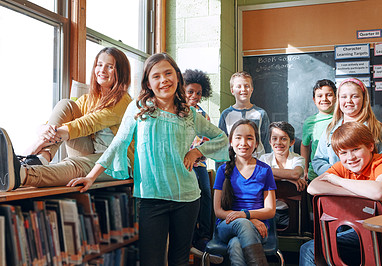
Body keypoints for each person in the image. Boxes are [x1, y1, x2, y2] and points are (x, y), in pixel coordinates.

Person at [67, 53, 229, 265]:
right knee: (151, 261)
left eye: (168, 73)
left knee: (179, 260)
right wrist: (90, 177)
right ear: (148, 83)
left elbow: (222, 137)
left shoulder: (189, 113)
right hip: (151, 198)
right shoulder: (138, 108)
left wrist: (197, 152)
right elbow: (118, 144)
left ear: (177, 77)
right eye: (157, 76)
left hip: (187, 199)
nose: (164, 80)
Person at [0, 47, 134, 192]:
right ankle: (41, 158)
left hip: (117, 161)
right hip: (90, 152)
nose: (102, 70)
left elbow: (87, 124)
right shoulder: (88, 99)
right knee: (67, 104)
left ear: (120, 72)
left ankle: (23, 174)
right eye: (99, 64)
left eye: (110, 67)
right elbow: (61, 120)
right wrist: (42, 130)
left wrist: (54, 135)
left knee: (75, 164)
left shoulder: (123, 100)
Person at [299, 122, 382, 266]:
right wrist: (356, 192)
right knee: (309, 249)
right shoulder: (342, 166)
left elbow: (379, 192)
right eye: (343, 153)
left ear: (370, 146)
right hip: (362, 230)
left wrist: (338, 180)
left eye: (356, 149)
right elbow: (313, 187)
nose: (350, 157)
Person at [213, 119, 276, 266]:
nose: (243, 143)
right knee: (242, 224)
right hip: (226, 226)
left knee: (236, 244)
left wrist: (245, 215)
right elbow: (218, 211)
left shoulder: (265, 170)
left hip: (259, 228)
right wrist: (246, 218)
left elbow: (270, 210)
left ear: (256, 143)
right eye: (238, 137)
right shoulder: (222, 170)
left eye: (249, 138)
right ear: (231, 141)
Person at [312, 78, 382, 176]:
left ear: (364, 99)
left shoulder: (377, 128)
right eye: (343, 97)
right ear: (338, 100)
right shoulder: (330, 129)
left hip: (366, 186)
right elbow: (319, 161)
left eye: (355, 96)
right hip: (336, 186)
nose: (348, 101)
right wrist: (337, 173)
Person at [183, 69, 213, 251]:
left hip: (199, 163)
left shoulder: (203, 115)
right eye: (190, 92)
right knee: (188, 198)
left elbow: (209, 140)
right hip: (182, 164)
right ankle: (190, 235)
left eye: (199, 93)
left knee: (206, 194)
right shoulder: (177, 111)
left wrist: (202, 152)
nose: (195, 96)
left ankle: (204, 236)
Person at [260, 121, 306, 229]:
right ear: (270, 142)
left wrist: (267, 172)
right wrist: (289, 179)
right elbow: (260, 177)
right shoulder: (264, 159)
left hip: (290, 213)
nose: (278, 142)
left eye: (284, 138)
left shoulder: (298, 159)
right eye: (274, 138)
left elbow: (295, 173)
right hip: (268, 211)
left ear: (292, 142)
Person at [218, 71, 270, 160]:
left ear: (251, 89)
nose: (243, 89)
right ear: (232, 90)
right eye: (238, 86)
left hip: (258, 163)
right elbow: (221, 145)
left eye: (246, 86)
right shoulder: (226, 115)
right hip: (233, 165)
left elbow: (267, 142)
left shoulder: (261, 114)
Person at [300, 79, 337, 182]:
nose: (324, 99)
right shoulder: (310, 122)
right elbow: (305, 145)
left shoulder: (343, 118)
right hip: (315, 174)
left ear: (336, 97)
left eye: (329, 95)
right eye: (320, 96)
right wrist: (305, 169)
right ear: (314, 100)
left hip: (339, 173)